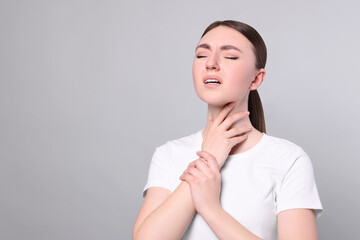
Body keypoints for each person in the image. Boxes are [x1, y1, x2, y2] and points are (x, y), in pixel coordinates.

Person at [132, 20, 323, 240]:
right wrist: (210, 157)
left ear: (257, 78)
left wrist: (211, 210)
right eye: (201, 55)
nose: (211, 64)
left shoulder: (288, 159)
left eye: (230, 57)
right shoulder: (168, 154)